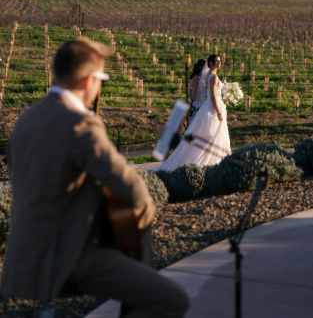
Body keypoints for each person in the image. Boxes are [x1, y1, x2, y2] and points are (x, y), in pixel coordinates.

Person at [0, 37, 190, 318]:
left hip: (26, 255)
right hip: (69, 253)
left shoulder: (27, 119)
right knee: (172, 300)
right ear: (89, 80)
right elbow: (134, 189)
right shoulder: (81, 125)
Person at [153, 54, 231, 172]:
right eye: (216, 61)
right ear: (210, 63)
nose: (219, 63)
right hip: (214, 108)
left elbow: (211, 95)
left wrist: (223, 99)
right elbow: (212, 97)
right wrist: (219, 112)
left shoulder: (210, 75)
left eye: (220, 61)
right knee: (211, 134)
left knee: (211, 133)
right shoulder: (213, 77)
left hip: (211, 105)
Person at [188, 59, 208, 123]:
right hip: (196, 107)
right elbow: (195, 97)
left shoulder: (193, 77)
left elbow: (189, 95)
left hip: (192, 105)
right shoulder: (198, 79)